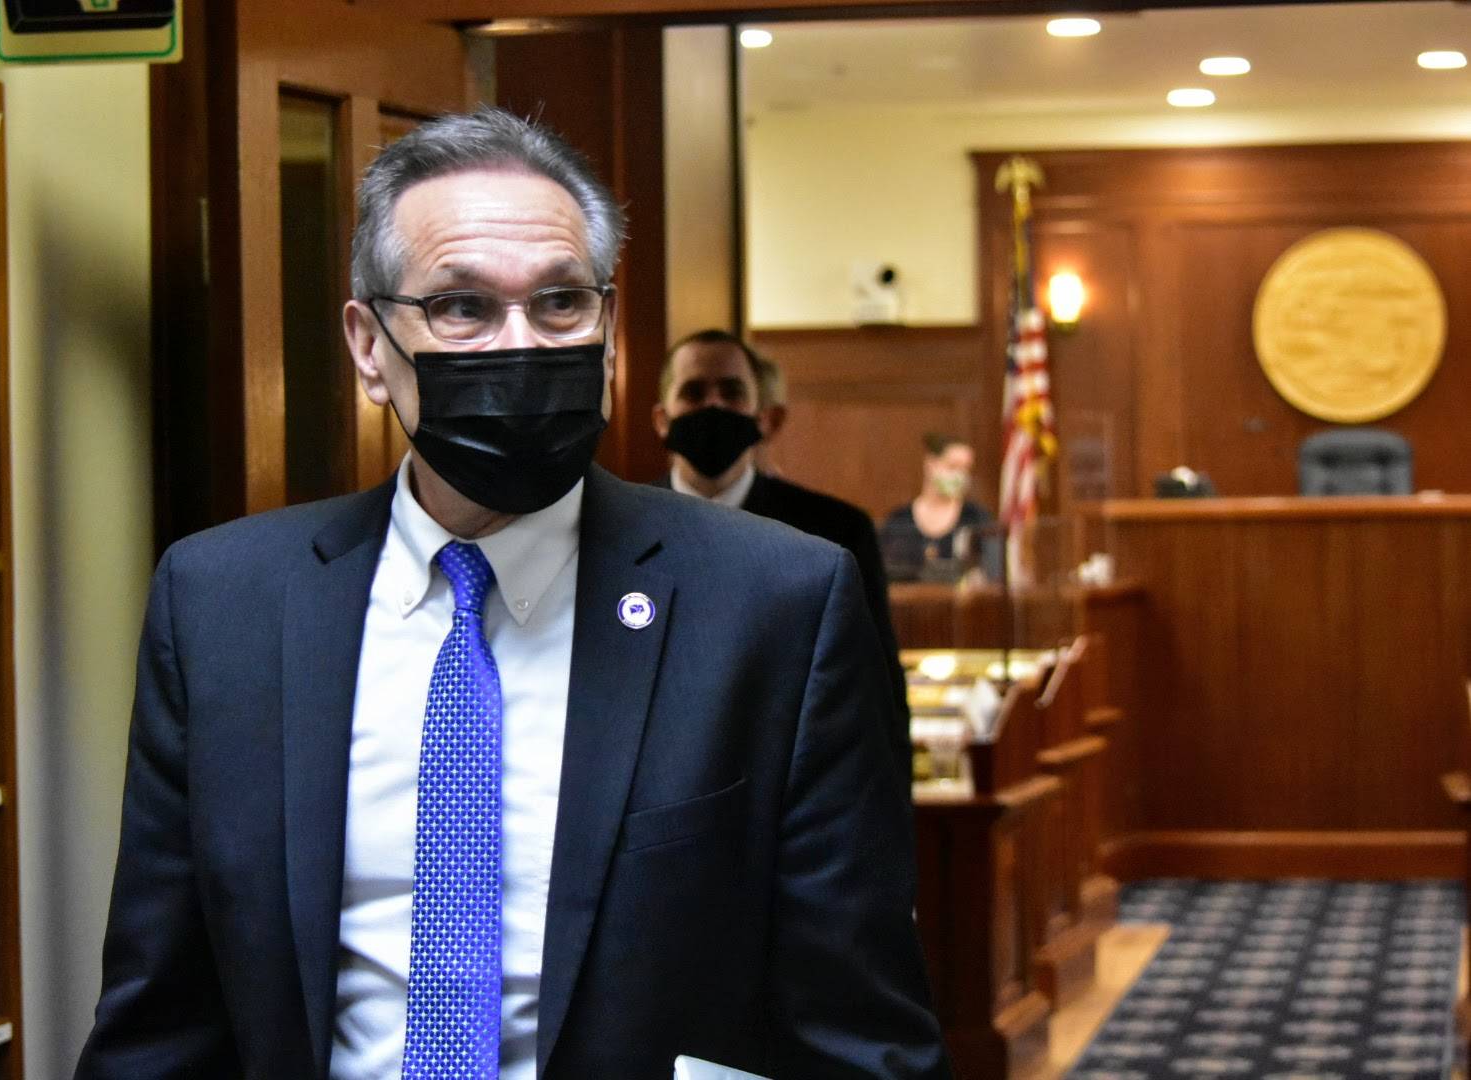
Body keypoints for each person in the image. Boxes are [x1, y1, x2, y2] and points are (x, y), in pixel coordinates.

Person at [75, 108, 950, 1080]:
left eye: (561, 303)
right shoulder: (221, 607)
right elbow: (160, 1027)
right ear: (369, 346)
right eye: (461, 309)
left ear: (611, 333)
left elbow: (861, 1036)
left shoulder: (775, 604)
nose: (519, 346)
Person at [651, 329, 912, 794]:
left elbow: (874, 692)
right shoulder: (618, 529)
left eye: (732, 392)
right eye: (693, 392)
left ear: (767, 419)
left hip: (794, 798)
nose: (713, 406)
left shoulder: (833, 533)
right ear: (661, 419)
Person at [880, 432, 1003, 582]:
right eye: (953, 466)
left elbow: (994, 574)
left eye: (966, 469)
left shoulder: (977, 518)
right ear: (930, 464)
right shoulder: (899, 520)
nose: (960, 475)